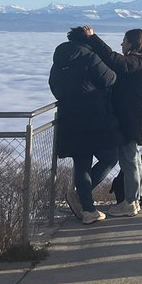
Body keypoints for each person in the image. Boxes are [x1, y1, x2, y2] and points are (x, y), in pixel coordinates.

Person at [82, 26, 142, 218]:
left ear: (133, 42)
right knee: (134, 157)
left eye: (124, 40)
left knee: (129, 159)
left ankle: (130, 202)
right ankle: (136, 199)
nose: (122, 44)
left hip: (128, 117)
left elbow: (113, 59)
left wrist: (93, 38)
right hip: (137, 115)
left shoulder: (134, 62)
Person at [48, 27, 120, 225]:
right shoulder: (90, 57)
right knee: (110, 157)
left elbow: (54, 86)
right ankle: (82, 197)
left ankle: (88, 210)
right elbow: (110, 78)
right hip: (95, 118)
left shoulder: (59, 61)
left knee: (81, 162)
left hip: (69, 118)